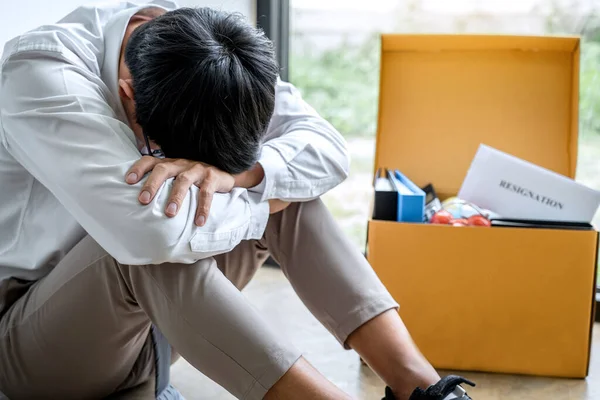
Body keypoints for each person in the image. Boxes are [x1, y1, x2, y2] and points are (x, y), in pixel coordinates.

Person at [0, 1, 475, 399]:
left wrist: (248, 178)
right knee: (155, 236)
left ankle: (422, 389)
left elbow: (327, 149)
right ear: (129, 96)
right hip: (38, 346)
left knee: (281, 181)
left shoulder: (207, 50)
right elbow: (149, 236)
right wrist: (259, 203)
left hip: (151, 335)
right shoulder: (43, 75)